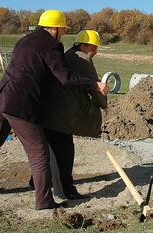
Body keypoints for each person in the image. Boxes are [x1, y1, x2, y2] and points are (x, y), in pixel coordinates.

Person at [0, 10, 108, 210]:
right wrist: (93, 85)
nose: (63, 32)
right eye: (63, 28)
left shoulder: (25, 40)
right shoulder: (52, 45)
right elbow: (64, 77)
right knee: (39, 153)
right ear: (55, 28)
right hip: (21, 105)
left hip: (1, 97)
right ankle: (44, 201)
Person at [32, 30, 107, 200]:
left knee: (52, 150)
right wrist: (104, 104)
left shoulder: (68, 55)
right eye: (93, 48)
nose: (95, 52)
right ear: (83, 45)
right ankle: (65, 190)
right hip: (61, 114)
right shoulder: (82, 61)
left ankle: (35, 182)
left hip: (50, 111)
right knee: (64, 152)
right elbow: (96, 91)